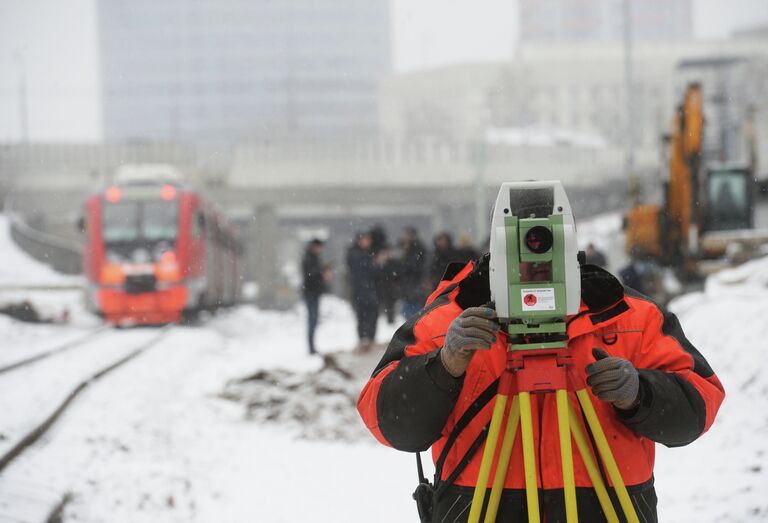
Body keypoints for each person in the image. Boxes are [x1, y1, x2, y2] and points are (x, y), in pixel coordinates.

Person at [358, 254, 724, 521]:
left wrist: (640, 393)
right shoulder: (447, 322)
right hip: (478, 508)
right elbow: (388, 421)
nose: (533, 254)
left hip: (609, 508)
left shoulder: (630, 316)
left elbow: (698, 406)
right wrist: (444, 365)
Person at [346, 231, 381, 352]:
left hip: (369, 290)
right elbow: (366, 272)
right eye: (366, 240)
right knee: (364, 315)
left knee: (371, 314)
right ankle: (364, 339)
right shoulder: (357, 255)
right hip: (362, 290)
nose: (368, 242)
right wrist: (375, 265)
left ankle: (369, 339)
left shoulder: (366, 254)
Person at [301, 238, 329, 355]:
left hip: (313, 292)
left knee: (313, 320)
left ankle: (312, 347)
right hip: (311, 293)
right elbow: (310, 276)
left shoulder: (313, 258)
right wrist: (322, 274)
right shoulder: (309, 258)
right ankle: (311, 347)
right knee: (312, 320)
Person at [398, 227, 427, 319]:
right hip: (406, 285)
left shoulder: (418, 248)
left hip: (416, 284)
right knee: (407, 312)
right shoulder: (402, 248)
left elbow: (416, 266)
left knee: (416, 313)